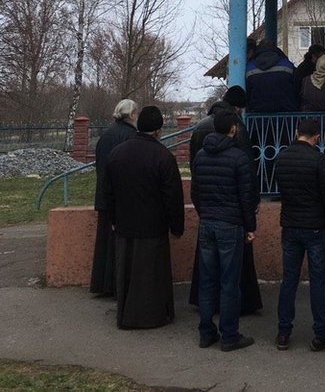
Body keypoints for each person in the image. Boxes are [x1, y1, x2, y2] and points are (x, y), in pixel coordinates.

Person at [104, 106, 184, 329]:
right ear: (158, 130)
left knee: (127, 273)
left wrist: (112, 218)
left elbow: (107, 191)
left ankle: (126, 315)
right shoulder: (163, 157)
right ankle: (152, 316)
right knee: (151, 275)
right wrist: (176, 226)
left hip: (124, 225)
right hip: (153, 227)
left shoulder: (117, 153)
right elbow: (173, 197)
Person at [188, 85, 263, 316]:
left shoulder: (200, 128)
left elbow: (195, 179)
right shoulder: (237, 128)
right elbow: (246, 175)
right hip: (231, 214)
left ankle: (206, 327)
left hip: (208, 212)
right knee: (233, 274)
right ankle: (231, 328)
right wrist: (251, 209)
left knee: (207, 273)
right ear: (238, 109)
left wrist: (203, 208)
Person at [274, 119, 325, 352]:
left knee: (289, 280)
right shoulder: (319, 159)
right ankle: (321, 334)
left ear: (297, 133)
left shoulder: (282, 158)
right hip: (315, 227)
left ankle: (283, 332)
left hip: (291, 226)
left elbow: (282, 190)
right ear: (316, 137)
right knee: (318, 281)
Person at [90, 99, 138, 296]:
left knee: (104, 243)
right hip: (124, 198)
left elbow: (99, 165)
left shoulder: (106, 135)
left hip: (104, 194)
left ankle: (102, 284)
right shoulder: (132, 136)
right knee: (122, 245)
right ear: (132, 114)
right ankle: (119, 284)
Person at [246, 39, 297, 112]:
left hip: (257, 117)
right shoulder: (288, 65)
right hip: (286, 116)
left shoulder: (249, 68)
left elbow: (247, 94)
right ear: (275, 48)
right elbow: (296, 89)